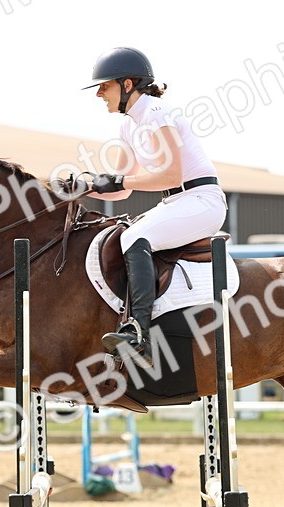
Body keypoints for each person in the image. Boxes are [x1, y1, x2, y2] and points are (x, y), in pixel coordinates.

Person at [79, 46, 227, 365]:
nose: (99, 94)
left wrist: (118, 182)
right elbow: (121, 188)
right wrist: (85, 186)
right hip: (177, 201)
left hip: (201, 200)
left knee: (133, 237)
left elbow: (169, 173)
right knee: (123, 234)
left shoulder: (157, 113)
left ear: (128, 85)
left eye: (105, 86)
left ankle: (138, 332)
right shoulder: (127, 125)